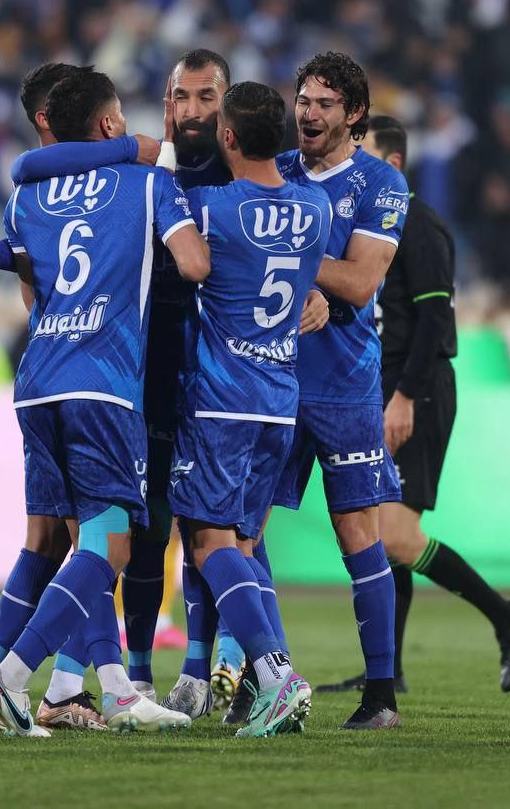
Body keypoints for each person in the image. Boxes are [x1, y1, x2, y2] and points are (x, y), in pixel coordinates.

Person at [3, 51, 331, 713]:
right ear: (168, 102)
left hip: (209, 378)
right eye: (183, 97)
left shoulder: (210, 178)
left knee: (217, 531)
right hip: (145, 367)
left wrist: (314, 288)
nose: (194, 110)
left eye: (208, 97)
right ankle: (134, 675)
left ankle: (212, 671)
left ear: (228, 111)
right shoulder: (160, 170)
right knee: (147, 528)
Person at [0, 68, 209, 737]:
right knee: (108, 547)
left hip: (38, 379)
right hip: (102, 383)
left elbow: (32, 292)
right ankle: (9, 680)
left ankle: (109, 691)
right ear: (108, 124)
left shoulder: (27, 197)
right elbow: (194, 264)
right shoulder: (148, 182)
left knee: (80, 541)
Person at [319, 116, 510, 697]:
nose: (352, 167)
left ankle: (507, 615)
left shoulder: (419, 225)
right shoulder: (370, 225)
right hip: (382, 389)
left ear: (391, 164)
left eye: (363, 155)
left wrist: (405, 397)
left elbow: (435, 318)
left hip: (417, 390)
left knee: (395, 535)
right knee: (380, 533)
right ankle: (386, 671)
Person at [163, 81, 329, 735]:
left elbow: (183, 248)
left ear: (226, 137)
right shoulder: (316, 208)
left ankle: (277, 674)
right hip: (279, 402)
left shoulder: (210, 208)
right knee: (245, 545)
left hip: (221, 400)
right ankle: (266, 685)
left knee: (208, 543)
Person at [261, 52, 406, 730]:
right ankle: (264, 674)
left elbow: (360, 281)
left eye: (324, 104)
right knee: (239, 529)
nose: (308, 114)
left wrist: (289, 259)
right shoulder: (275, 170)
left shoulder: (381, 183)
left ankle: (380, 696)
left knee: (358, 536)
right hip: (268, 378)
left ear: (354, 114)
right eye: (303, 101)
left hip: (345, 386)